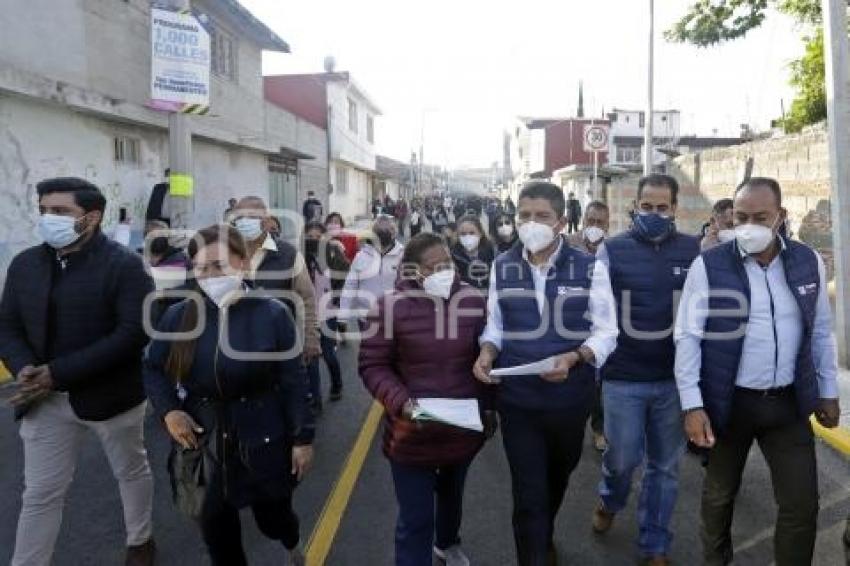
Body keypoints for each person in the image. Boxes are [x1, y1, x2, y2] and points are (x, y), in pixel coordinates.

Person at [674, 177, 840, 566]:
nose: (748, 225)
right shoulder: (710, 265)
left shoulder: (806, 261)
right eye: (741, 216)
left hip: (787, 404)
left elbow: (818, 331)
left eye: (760, 217)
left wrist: (827, 389)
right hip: (728, 403)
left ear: (780, 216)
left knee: (801, 505)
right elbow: (688, 337)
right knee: (719, 497)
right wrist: (692, 405)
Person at [0, 177, 156, 566]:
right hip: (45, 401)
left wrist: (59, 372)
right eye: (43, 210)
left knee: (131, 469)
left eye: (59, 211)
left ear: (91, 218)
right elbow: (8, 325)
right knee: (40, 493)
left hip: (112, 398)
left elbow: (133, 332)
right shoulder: (25, 265)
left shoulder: (124, 266)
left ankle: (140, 539)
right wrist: (24, 369)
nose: (47, 218)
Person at [143, 225, 314, 566]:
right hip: (202, 442)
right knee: (217, 536)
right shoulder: (179, 316)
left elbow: (293, 380)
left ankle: (291, 542)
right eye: (201, 268)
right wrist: (169, 412)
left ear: (242, 263)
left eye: (219, 266)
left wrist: (303, 439)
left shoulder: (273, 314)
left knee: (273, 519)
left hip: (263, 435)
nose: (209, 276)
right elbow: (151, 367)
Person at [473, 181, 618, 565]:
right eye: (524, 216)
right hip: (518, 403)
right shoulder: (502, 266)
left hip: (569, 403)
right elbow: (495, 326)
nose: (531, 223)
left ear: (561, 222)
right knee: (528, 494)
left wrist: (574, 358)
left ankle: (544, 531)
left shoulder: (590, 268)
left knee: (557, 478)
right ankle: (535, 551)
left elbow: (607, 332)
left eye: (542, 216)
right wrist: (486, 352)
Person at [360, 232, 493, 566]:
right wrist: (401, 403)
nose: (443, 272)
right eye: (433, 267)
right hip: (411, 432)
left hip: (461, 429)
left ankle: (446, 544)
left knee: (451, 499)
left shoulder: (474, 301)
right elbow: (373, 365)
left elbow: (488, 357)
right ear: (413, 272)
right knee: (415, 519)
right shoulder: (390, 307)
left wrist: (489, 407)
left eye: (447, 263)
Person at [591, 174, 700, 566]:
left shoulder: (693, 251)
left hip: (673, 381)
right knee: (622, 459)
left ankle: (655, 543)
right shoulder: (611, 251)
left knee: (665, 468)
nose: (654, 214)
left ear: (674, 209)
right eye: (647, 207)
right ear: (635, 207)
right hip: (623, 378)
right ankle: (609, 498)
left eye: (663, 207)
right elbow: (597, 313)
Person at [231, 197, 321, 363]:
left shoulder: (289, 254)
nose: (244, 222)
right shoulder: (227, 254)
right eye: (239, 218)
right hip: (235, 342)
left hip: (278, 344)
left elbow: (306, 298)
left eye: (251, 217)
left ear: (266, 221)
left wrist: (310, 338)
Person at [566, 200, 611, 452]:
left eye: (600, 222)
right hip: (572, 319)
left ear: (607, 224)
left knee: (599, 378)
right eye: (590, 221)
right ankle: (571, 426)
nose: (594, 226)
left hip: (601, 319)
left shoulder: (612, 248)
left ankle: (598, 428)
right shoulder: (569, 244)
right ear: (583, 220)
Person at [304, 221, 350, 406]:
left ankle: (337, 384)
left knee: (329, 354)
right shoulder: (300, 256)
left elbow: (344, 275)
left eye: (318, 236)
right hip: (308, 315)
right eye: (310, 236)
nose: (314, 240)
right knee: (311, 358)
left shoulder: (332, 252)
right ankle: (316, 399)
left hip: (328, 312)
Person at [339, 216, 404, 330]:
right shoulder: (362, 256)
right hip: (366, 318)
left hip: (395, 318)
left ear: (394, 233)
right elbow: (350, 285)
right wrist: (343, 316)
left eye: (388, 230)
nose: (383, 233)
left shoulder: (403, 255)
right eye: (379, 230)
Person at [450, 215, 496, 291]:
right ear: (458, 236)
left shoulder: (492, 253)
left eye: (472, 233)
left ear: (480, 233)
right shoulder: (453, 257)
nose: (468, 237)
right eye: (463, 234)